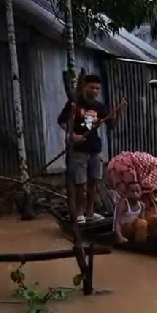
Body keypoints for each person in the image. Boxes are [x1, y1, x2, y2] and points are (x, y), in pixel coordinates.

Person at [57, 74, 124, 224]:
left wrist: (118, 111)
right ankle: (79, 213)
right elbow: (61, 121)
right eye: (92, 87)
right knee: (80, 182)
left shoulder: (99, 107)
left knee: (93, 181)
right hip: (78, 149)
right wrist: (72, 135)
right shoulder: (74, 103)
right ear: (84, 87)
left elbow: (111, 125)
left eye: (97, 88)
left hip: (94, 148)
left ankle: (90, 212)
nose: (95, 91)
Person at [106, 151, 157, 224]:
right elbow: (148, 185)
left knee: (127, 196)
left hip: (119, 163)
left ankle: (124, 222)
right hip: (126, 166)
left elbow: (156, 191)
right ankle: (123, 225)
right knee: (128, 197)